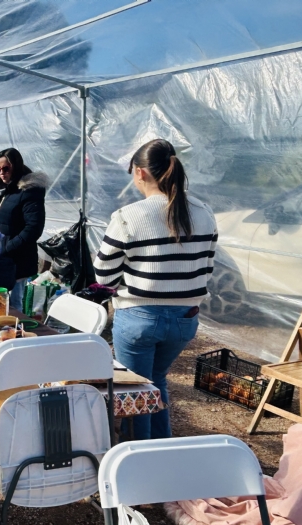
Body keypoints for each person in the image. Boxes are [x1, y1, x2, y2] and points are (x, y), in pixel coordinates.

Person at [93, 139, 218, 440]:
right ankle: (160, 451)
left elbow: (103, 276)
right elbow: (207, 267)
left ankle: (137, 462)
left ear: (139, 173)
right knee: (155, 380)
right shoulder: (205, 213)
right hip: (185, 319)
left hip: (139, 318)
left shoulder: (128, 216)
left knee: (135, 389)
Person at [0, 148, 47, 311]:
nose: (1, 172)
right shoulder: (6, 191)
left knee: (14, 305)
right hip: (2, 260)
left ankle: (16, 335)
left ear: (16, 166)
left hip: (18, 262)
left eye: (5, 168)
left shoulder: (29, 192)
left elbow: (33, 229)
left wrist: (6, 248)